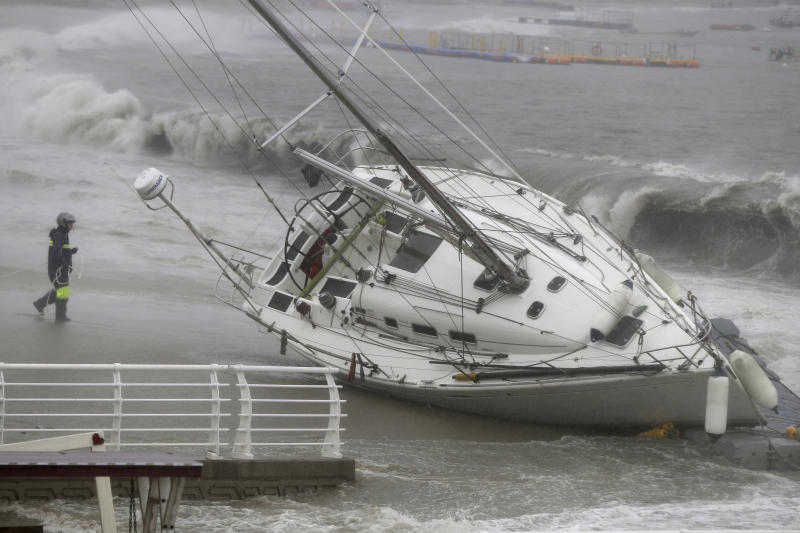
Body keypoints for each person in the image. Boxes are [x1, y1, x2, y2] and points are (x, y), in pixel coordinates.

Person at [33, 212, 78, 321]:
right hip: (58, 269)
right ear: (63, 223)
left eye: (72, 223)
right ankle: (60, 316)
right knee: (63, 292)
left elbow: (60, 251)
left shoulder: (63, 234)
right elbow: (55, 253)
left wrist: (70, 252)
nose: (71, 226)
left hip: (60, 268)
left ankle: (40, 303)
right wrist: (65, 263)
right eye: (69, 223)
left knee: (60, 290)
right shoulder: (59, 234)